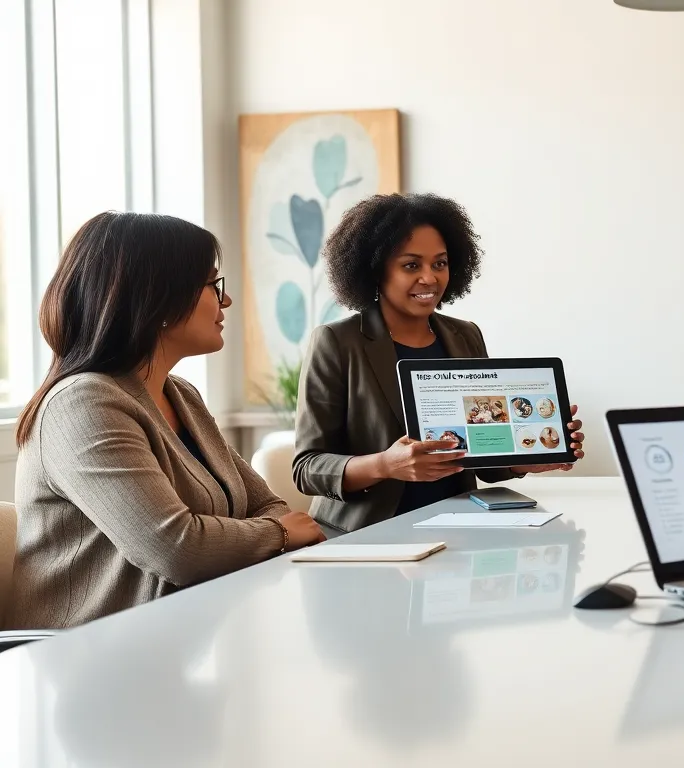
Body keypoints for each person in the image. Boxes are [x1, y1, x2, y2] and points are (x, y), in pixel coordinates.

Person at [6, 212, 325, 630]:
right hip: (85, 662)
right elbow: (177, 549)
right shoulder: (82, 404)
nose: (225, 301)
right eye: (213, 285)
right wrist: (277, 534)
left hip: (176, 640)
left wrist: (265, 528)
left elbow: (266, 505)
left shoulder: (182, 395)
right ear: (158, 298)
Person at [292, 193, 585, 534]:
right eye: (411, 265)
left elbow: (483, 460)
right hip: (366, 535)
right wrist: (386, 465)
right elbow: (307, 468)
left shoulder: (465, 335)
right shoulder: (337, 342)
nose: (430, 278)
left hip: (457, 532)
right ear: (375, 270)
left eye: (440, 263)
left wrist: (530, 456)